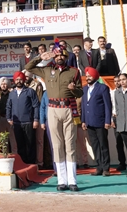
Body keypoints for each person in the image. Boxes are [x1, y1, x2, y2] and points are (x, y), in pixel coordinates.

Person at [27, 43, 83, 191]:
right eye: (56, 55)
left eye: (61, 55)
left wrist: (74, 89)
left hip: (68, 109)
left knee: (70, 145)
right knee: (57, 145)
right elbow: (29, 67)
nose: (59, 58)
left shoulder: (74, 72)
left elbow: (80, 92)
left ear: (66, 57)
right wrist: (41, 57)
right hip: (52, 109)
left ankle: (72, 181)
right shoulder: (46, 70)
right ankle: (61, 181)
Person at [81, 67, 112, 176]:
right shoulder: (84, 89)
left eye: (90, 76)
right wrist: (83, 120)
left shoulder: (103, 88)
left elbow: (108, 105)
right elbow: (83, 105)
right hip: (89, 122)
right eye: (86, 76)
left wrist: (107, 121)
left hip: (100, 121)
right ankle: (99, 167)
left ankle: (106, 168)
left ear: (95, 76)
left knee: (103, 145)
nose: (87, 78)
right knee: (95, 146)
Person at [7, 71, 40, 164]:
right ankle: (23, 163)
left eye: (20, 79)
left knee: (30, 144)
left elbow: (36, 106)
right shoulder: (12, 93)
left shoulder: (30, 91)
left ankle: (32, 164)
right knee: (20, 144)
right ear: (14, 81)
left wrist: (36, 119)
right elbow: (8, 106)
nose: (18, 81)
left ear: (24, 80)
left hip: (28, 122)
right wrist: (9, 118)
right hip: (17, 123)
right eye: (17, 79)